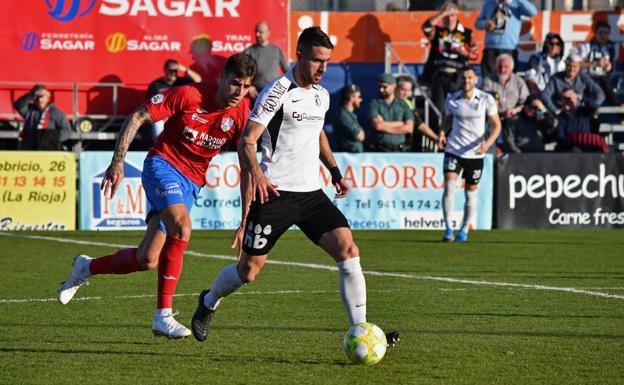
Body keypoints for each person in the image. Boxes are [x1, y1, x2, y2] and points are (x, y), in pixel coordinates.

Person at [190, 27, 399, 347]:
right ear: (299, 56)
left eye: (327, 62)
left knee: (348, 250)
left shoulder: (322, 94)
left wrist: (334, 170)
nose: (323, 69)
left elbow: (317, 133)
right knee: (247, 272)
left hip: (311, 193)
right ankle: (209, 301)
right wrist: (258, 174)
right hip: (274, 193)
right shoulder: (277, 92)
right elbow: (247, 141)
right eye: (317, 61)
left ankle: (361, 330)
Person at [57, 53, 257, 339]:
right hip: (162, 165)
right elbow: (137, 116)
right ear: (222, 78)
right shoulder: (188, 94)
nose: (239, 92)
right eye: (235, 83)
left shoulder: (242, 114)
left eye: (246, 86)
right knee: (182, 226)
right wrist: (118, 162)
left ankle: (85, 267)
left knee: (147, 259)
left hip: (192, 182)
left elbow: (248, 165)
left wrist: (245, 219)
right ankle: (163, 315)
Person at [438, 65, 501, 242]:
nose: (466, 81)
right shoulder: (452, 99)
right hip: (454, 149)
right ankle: (448, 228)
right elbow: (447, 120)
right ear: (459, 80)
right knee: (450, 187)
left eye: (470, 78)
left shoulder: (486, 99)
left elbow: (497, 125)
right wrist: (442, 133)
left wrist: (487, 144)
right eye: (463, 78)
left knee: (470, 194)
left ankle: (464, 230)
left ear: (476, 80)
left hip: (475, 153)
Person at [421, 2, 477, 120]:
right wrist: (442, 13)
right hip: (439, 74)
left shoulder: (466, 33)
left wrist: (465, 53)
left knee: (460, 109)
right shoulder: (437, 31)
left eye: (452, 15)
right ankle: (439, 134)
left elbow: (475, 54)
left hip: (458, 76)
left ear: (457, 15)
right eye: (447, 16)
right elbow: (425, 27)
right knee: (438, 111)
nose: (449, 18)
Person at [475, 0, 537, 79]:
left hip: (509, 49)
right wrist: (485, 24)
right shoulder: (489, 3)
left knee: (508, 79)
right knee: (488, 79)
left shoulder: (516, 4)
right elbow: (477, 23)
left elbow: (532, 12)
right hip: (490, 50)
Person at [146, 59, 202, 142]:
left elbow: (199, 80)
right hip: (162, 116)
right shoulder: (155, 85)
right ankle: (159, 146)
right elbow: (150, 105)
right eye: (171, 70)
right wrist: (163, 115)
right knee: (156, 122)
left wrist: (185, 69)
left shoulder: (183, 82)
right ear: (165, 70)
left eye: (175, 70)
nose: (173, 73)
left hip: (181, 116)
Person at [482, 54, 529, 152]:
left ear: (511, 68)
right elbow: (482, 99)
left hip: (512, 116)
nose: (502, 70)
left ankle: (516, 152)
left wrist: (515, 110)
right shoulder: (488, 81)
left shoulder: (519, 82)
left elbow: (525, 101)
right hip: (492, 116)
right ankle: (492, 151)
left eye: (506, 67)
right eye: (500, 66)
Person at [13, 84, 72, 150]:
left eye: (42, 96)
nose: (39, 99)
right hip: (29, 150)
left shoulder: (55, 112)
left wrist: (52, 137)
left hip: (47, 151)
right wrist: (31, 94)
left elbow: (67, 131)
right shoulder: (29, 111)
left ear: (47, 97)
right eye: (37, 96)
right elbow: (18, 105)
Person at [575, 21, 619, 106]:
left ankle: (620, 114)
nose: (603, 35)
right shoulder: (587, 45)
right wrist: (595, 63)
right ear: (595, 33)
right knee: (595, 88)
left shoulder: (612, 47)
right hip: (587, 77)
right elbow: (577, 65)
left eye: (606, 33)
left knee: (606, 85)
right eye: (600, 33)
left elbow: (612, 67)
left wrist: (609, 67)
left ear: (609, 34)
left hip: (604, 79)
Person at [244, 21, 289, 99]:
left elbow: (287, 70)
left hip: (275, 92)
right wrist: (249, 86)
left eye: (260, 32)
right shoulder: (249, 51)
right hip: (256, 93)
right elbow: (242, 72)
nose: (257, 34)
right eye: (256, 32)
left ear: (268, 33)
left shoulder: (276, 50)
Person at [369, 73, 414, 151]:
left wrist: (384, 125)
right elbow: (377, 125)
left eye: (384, 87)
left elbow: (409, 128)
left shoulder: (403, 104)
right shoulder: (375, 104)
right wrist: (401, 123)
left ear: (393, 86)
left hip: (399, 151)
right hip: (380, 150)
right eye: (379, 86)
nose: (381, 90)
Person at [556, 88, 609, 153]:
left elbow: (595, 106)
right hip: (571, 148)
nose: (567, 101)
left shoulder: (583, 111)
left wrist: (579, 97)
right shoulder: (562, 116)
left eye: (569, 98)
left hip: (587, 146)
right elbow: (560, 136)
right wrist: (573, 146)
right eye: (564, 99)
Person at [333, 84, 366, 152]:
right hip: (346, 159)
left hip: (353, 158)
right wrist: (360, 132)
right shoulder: (343, 116)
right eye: (359, 97)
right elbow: (360, 136)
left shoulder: (350, 115)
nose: (361, 100)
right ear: (352, 97)